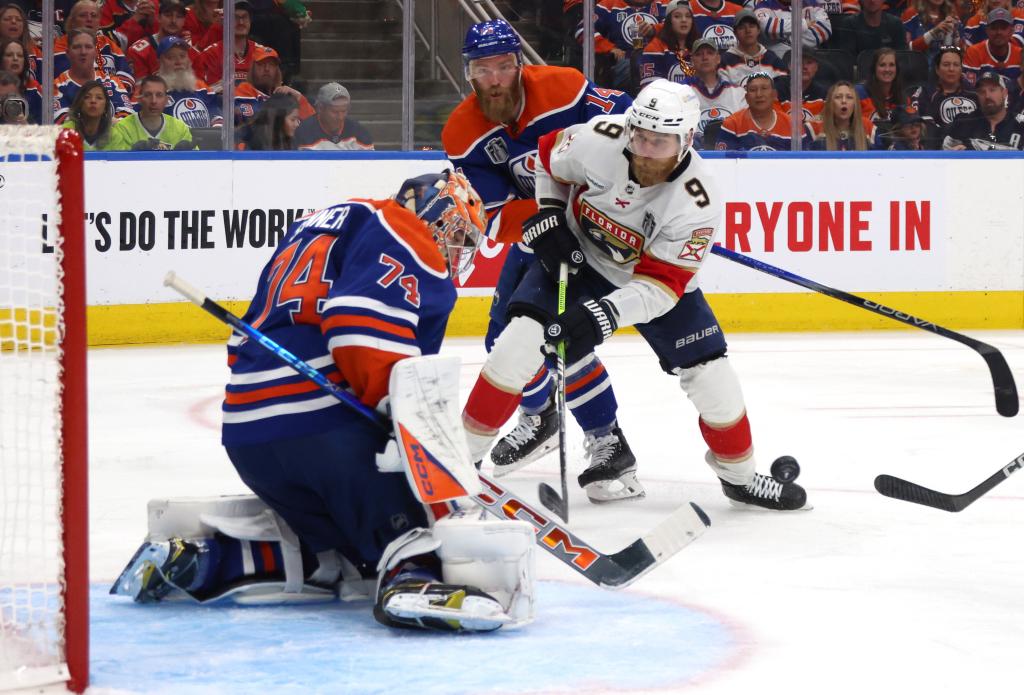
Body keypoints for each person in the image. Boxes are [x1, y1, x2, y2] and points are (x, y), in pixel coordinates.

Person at [112, 170, 538, 633]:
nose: (457, 251)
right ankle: (414, 576)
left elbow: (241, 345)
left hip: (248, 433)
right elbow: (358, 325)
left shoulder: (318, 226)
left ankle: (213, 560)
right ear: (430, 211)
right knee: (427, 511)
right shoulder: (405, 232)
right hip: (327, 427)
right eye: (457, 233)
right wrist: (408, 425)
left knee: (343, 551)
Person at [461, 78, 808, 511]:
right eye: (639, 136)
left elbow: (661, 287)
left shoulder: (697, 201)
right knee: (516, 345)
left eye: (658, 142)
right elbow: (549, 160)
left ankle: (739, 478)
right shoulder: (600, 137)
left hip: (649, 283)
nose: (644, 151)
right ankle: (457, 461)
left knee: (713, 379)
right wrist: (550, 212)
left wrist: (602, 315)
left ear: (685, 140)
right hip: (579, 258)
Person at [443, 19, 637, 495]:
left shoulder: (564, 88)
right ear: (469, 73)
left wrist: (619, 199)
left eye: (503, 66)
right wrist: (552, 217)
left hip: (604, 234)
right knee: (501, 341)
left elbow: (632, 124)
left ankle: (609, 443)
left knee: (557, 337)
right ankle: (542, 415)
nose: (494, 79)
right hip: (543, 236)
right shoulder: (463, 132)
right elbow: (494, 213)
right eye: (482, 68)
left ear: (519, 64)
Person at [582, 0, 666, 92]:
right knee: (629, 69)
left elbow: (678, 29)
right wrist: (609, 48)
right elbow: (583, 29)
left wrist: (655, 29)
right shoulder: (608, 5)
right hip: (624, 62)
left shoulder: (664, 4)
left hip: (659, 59)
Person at [717, 71, 815, 149]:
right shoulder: (732, 124)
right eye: (753, 90)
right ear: (746, 97)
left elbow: (801, 164)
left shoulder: (793, 126)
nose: (759, 94)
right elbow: (722, 164)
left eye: (764, 88)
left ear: (774, 95)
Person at [53, 28, 133, 122]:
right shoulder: (56, 86)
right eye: (77, 47)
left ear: (96, 52)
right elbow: (63, 123)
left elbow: (128, 117)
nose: (83, 52)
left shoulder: (112, 82)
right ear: (68, 53)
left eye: (88, 47)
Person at [52, 0, 134, 90]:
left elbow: (126, 77)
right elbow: (63, 81)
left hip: (110, 98)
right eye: (83, 15)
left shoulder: (108, 44)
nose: (89, 19)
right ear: (72, 21)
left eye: (94, 15)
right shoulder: (61, 45)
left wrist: (111, 94)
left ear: (99, 21)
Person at [683, 37, 747, 143]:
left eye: (710, 53)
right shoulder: (682, 93)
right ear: (692, 61)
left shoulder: (738, 93)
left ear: (718, 58)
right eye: (699, 54)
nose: (705, 57)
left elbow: (746, 133)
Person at [198, 0, 272, 90]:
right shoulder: (211, 53)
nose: (241, 22)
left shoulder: (261, 53)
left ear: (250, 21)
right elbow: (208, 91)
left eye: (244, 17)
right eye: (235, 17)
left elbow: (269, 89)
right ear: (225, 21)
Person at [908, 45, 979, 137]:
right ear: (937, 70)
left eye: (956, 65)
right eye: (946, 65)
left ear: (961, 69)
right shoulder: (925, 93)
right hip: (940, 147)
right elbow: (927, 129)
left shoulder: (974, 93)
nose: (951, 69)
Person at [233, 43, 311, 125]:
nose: (267, 68)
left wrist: (298, 97)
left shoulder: (286, 95)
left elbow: (311, 125)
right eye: (261, 64)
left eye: (271, 64)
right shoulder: (242, 92)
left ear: (277, 70)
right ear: (252, 68)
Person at [944, 69, 1024, 148]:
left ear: (1004, 93)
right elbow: (944, 155)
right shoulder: (963, 122)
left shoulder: (1020, 124)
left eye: (992, 90)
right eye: (982, 91)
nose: (987, 96)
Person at [109, 73, 193, 148]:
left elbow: (195, 159)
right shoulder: (123, 129)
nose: (154, 101)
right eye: (148, 95)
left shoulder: (181, 129)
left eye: (159, 95)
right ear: (139, 99)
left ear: (166, 100)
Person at [153, 34, 220, 127]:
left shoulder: (202, 87)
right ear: (159, 62)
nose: (178, 61)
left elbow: (217, 114)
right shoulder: (150, 91)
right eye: (170, 57)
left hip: (206, 140)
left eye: (182, 56)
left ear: (188, 60)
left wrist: (217, 128)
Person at [126, 0, 198, 81]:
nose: (173, 21)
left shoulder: (188, 49)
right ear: (159, 18)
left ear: (184, 21)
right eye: (168, 15)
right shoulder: (139, 51)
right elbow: (140, 89)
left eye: (179, 16)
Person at [294, 81, 374, 150]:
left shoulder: (359, 132)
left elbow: (371, 164)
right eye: (334, 112)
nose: (340, 117)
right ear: (320, 108)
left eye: (344, 111)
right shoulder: (303, 132)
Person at [720, 8, 788, 87]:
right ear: (735, 33)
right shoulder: (725, 61)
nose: (748, 30)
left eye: (751, 26)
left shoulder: (772, 59)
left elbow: (784, 90)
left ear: (758, 30)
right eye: (742, 27)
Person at [637, 0, 697, 88]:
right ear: (669, 21)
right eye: (677, 16)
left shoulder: (699, 47)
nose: (684, 20)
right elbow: (650, 90)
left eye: (688, 16)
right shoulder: (655, 48)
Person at [753, 0, 832, 60]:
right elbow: (765, 26)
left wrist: (788, 41)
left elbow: (825, 29)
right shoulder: (764, 5)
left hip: (809, 57)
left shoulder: (811, 3)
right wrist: (804, 24)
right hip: (777, 58)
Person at [962, 8, 1023, 85]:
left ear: (1012, 31)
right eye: (994, 28)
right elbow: (970, 88)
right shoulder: (974, 52)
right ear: (987, 31)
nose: (999, 32)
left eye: (1003, 28)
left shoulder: (1020, 54)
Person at [811, 80, 879, 149]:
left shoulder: (868, 129)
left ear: (855, 104)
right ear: (830, 103)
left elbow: (881, 158)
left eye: (849, 97)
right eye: (838, 97)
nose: (844, 101)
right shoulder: (814, 129)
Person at [833, 0, 908, 57]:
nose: (872, 1)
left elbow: (902, 60)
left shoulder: (896, 24)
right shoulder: (849, 24)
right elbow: (848, 62)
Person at [58, 77, 118, 148]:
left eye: (99, 98)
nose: (93, 101)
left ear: (106, 107)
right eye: (87, 97)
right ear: (80, 104)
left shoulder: (114, 136)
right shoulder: (63, 133)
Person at [774, 46, 830, 120]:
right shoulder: (776, 91)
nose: (804, 67)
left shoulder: (824, 95)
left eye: (809, 63)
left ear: (817, 67)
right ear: (790, 66)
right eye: (799, 62)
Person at [856, 47, 909, 122]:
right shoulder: (859, 93)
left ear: (897, 69)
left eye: (891, 65)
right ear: (874, 69)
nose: (887, 69)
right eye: (882, 65)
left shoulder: (904, 99)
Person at [1, 36, 40, 121]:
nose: (15, 58)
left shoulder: (34, 88)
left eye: (20, 55)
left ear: (25, 61)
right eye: (9, 55)